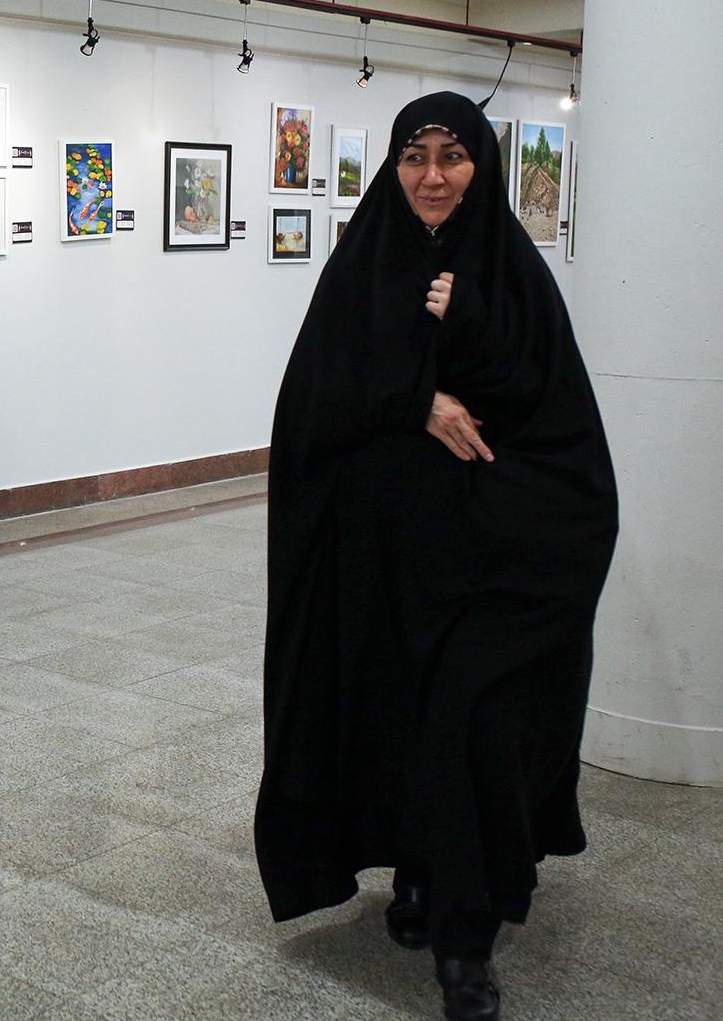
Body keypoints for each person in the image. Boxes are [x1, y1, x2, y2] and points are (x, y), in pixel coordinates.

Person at [254, 92, 618, 1021]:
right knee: (398, 723)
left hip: (492, 567)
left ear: (481, 166)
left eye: (452, 156)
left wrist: (470, 327)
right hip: (385, 564)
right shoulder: (362, 266)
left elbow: (557, 418)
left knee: (473, 729)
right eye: (415, 156)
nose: (431, 176)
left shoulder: (514, 274)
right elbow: (314, 403)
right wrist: (417, 398)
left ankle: (467, 943)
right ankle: (417, 871)